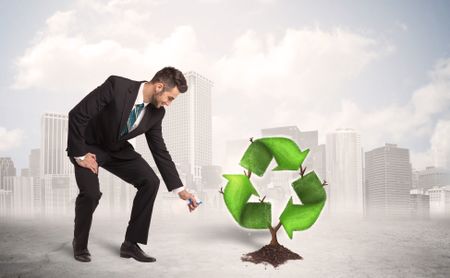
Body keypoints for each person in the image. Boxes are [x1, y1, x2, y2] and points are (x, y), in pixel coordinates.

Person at [65, 66, 199, 263]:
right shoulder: (117, 86)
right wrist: (79, 154)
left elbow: (159, 150)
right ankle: (80, 243)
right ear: (159, 87)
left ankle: (130, 244)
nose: (169, 104)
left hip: (118, 149)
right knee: (91, 194)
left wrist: (180, 189)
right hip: (88, 146)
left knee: (150, 181)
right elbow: (77, 114)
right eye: (170, 98)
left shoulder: (157, 113)